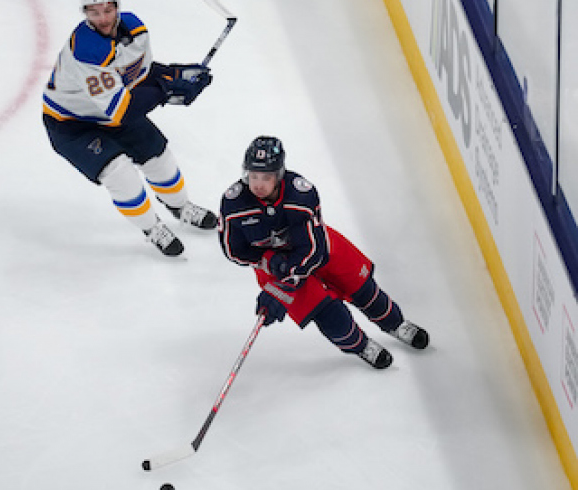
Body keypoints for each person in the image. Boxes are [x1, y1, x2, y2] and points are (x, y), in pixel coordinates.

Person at [218, 136, 430, 369]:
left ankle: (395, 324)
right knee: (329, 316)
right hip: (272, 268)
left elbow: (314, 250)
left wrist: (283, 285)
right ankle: (361, 346)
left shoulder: (300, 196)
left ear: (278, 175)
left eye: (266, 177)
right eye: (253, 175)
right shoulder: (233, 204)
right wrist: (268, 261)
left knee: (364, 290)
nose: (257, 184)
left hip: (317, 251)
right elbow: (233, 250)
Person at [42, 0, 218, 257]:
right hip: (70, 124)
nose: (102, 18)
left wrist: (176, 73)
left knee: (159, 156)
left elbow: (137, 74)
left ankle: (181, 208)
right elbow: (121, 112)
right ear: (84, 13)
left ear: (117, 7)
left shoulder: (136, 29)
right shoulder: (86, 50)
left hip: (110, 111)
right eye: (94, 12)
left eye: (107, 10)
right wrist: (167, 90)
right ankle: (152, 228)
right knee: (119, 172)